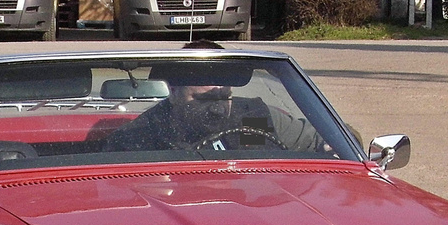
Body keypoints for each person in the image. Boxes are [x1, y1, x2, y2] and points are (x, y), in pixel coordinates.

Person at [102, 76, 324, 155]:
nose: (218, 109)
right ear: (173, 92)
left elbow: (325, 140)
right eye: (203, 99)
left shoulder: (252, 118)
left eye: (225, 97)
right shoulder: (138, 139)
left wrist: (334, 144)